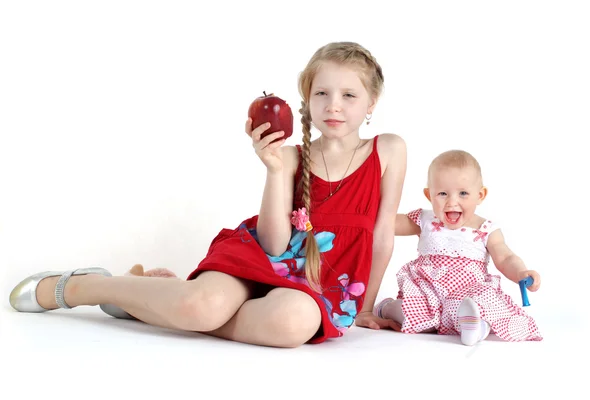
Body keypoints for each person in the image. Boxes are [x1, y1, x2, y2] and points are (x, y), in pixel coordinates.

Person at [9, 42, 407, 348]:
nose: (333, 106)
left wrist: (367, 306)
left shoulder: (388, 150)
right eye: (322, 93)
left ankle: (151, 301)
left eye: (349, 96)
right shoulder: (288, 157)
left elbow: (383, 234)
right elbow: (274, 244)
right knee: (202, 306)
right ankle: (84, 286)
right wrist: (271, 170)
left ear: (371, 102)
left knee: (292, 324)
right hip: (263, 258)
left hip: (320, 289)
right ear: (307, 99)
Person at [373, 149, 543, 346]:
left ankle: (476, 325)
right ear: (429, 195)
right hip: (429, 292)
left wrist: (521, 272)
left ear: (480, 195)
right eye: (443, 193)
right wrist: (367, 205)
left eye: (463, 193)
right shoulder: (426, 219)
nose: (452, 202)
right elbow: (387, 223)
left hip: (468, 290)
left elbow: (505, 258)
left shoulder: (487, 229)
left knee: (483, 302)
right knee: (415, 314)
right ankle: (388, 308)